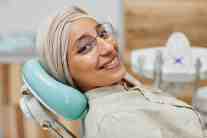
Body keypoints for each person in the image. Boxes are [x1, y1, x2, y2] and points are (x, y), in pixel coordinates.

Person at [36, 6, 206, 138]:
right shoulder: (115, 122)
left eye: (103, 34)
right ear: (64, 70)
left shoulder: (120, 85)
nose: (109, 47)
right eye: (85, 47)